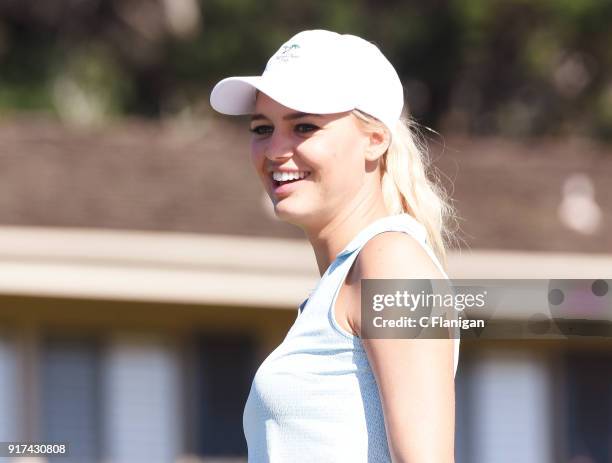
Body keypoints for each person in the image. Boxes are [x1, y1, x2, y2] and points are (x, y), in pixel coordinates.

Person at [210, 29, 460, 463]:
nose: (275, 150)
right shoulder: (344, 280)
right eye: (262, 128)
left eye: (304, 126)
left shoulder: (391, 261)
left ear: (375, 139)